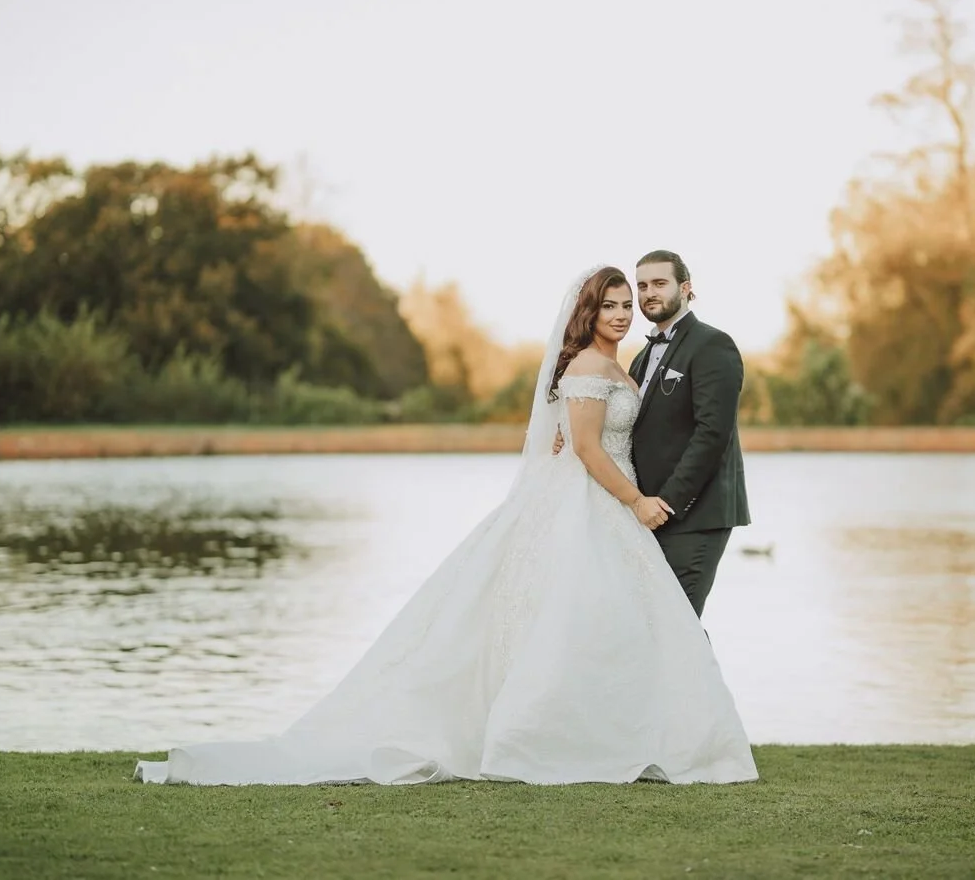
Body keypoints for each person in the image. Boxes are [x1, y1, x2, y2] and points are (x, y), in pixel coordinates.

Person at [134, 266, 757, 786]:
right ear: (588, 312)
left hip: (605, 504)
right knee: (577, 615)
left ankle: (621, 732)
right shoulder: (591, 370)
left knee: (603, 621)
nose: (623, 312)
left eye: (630, 303)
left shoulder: (628, 364)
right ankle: (558, 736)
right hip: (601, 501)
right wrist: (638, 502)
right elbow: (592, 453)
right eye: (612, 304)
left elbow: (602, 442)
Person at [557, 250, 750, 617]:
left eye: (659, 283)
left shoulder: (712, 345)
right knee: (651, 626)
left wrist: (665, 504)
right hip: (643, 514)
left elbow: (712, 434)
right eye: (642, 286)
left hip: (693, 515)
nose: (648, 294)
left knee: (678, 624)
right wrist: (569, 429)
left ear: (686, 288)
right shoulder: (641, 359)